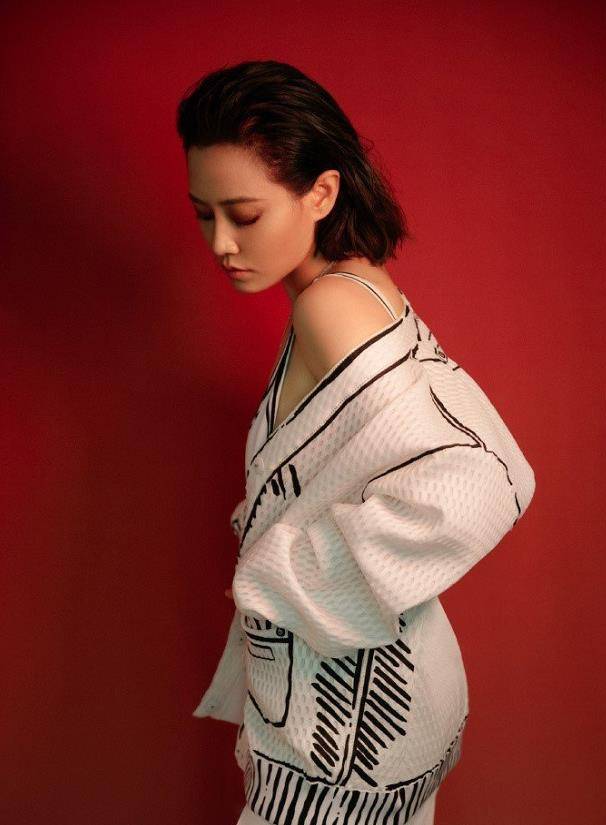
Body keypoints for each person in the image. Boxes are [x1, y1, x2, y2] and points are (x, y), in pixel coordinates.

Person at [177, 60, 536, 825]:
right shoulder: (358, 281)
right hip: (390, 693)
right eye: (204, 214)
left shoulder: (330, 308)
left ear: (321, 192)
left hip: (348, 724)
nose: (221, 242)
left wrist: (279, 573)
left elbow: (480, 479)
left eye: (244, 213)